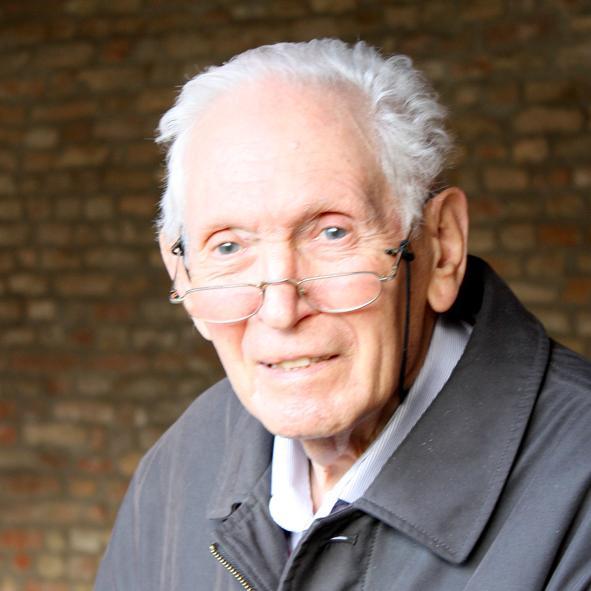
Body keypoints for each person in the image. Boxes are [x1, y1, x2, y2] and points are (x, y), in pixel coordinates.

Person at [94, 39, 591, 591]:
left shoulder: (578, 488)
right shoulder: (178, 469)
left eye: (332, 233)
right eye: (229, 247)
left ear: (442, 246)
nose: (280, 310)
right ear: (183, 276)